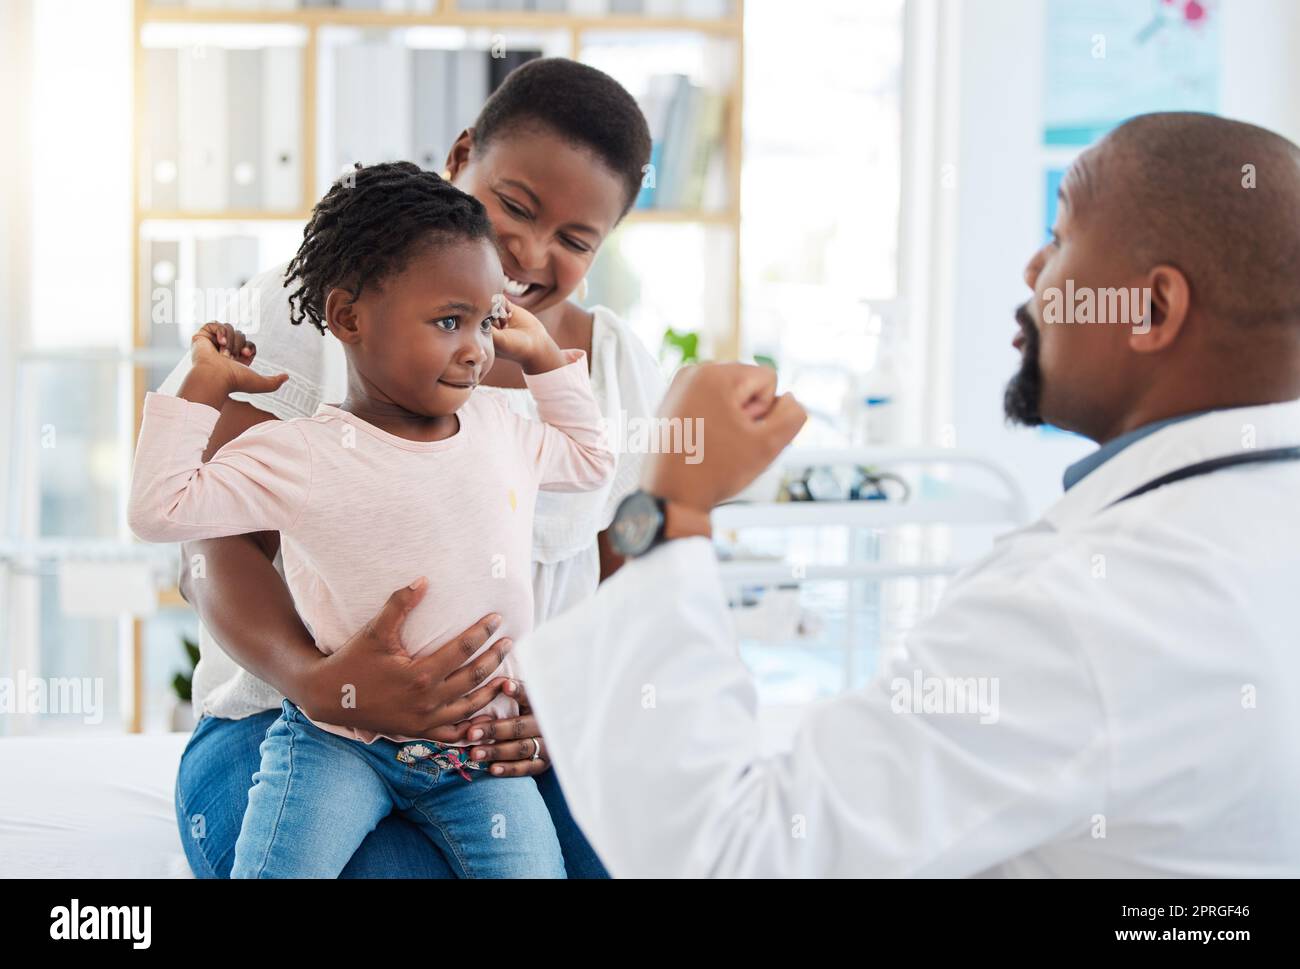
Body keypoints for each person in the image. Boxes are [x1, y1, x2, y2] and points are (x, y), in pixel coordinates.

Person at [512, 112, 1300, 876]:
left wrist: (673, 508)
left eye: (1060, 239)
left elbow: (734, 853)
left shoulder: (1097, 608)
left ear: (1151, 309)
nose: (1034, 270)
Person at [164, 58, 663, 878]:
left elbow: (627, 587)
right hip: (294, 720)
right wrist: (319, 680)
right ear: (463, 155)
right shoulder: (322, 304)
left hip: (494, 750)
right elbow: (214, 546)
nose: (531, 251)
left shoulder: (611, 370)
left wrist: (565, 703)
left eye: (576, 240)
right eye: (514, 205)